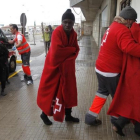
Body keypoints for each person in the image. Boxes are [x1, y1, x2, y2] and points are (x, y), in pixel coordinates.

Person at [85, 6, 140, 127]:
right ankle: (116, 121)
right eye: (134, 21)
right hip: (110, 72)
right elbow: (130, 48)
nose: (133, 24)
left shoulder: (113, 26)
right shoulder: (122, 30)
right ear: (129, 20)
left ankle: (90, 117)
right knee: (119, 98)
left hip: (100, 68)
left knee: (102, 92)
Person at [37, 9, 80, 125]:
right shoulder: (57, 32)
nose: (67, 24)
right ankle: (44, 114)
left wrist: (69, 54)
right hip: (54, 69)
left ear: (73, 23)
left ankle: (68, 115)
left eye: (70, 22)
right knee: (53, 92)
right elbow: (57, 53)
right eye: (65, 22)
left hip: (68, 69)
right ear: (62, 22)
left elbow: (77, 50)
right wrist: (71, 50)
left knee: (69, 91)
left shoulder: (74, 34)